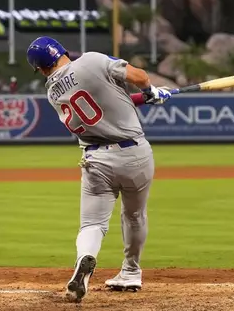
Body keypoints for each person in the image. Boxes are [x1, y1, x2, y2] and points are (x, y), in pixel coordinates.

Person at [26, 36, 171, 303]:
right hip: (134, 154)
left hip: (96, 160)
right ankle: (130, 271)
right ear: (62, 51)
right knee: (135, 215)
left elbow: (104, 101)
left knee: (92, 224)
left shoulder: (53, 92)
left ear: (42, 68)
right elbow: (138, 75)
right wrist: (152, 90)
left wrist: (144, 97)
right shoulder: (92, 60)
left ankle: (84, 261)